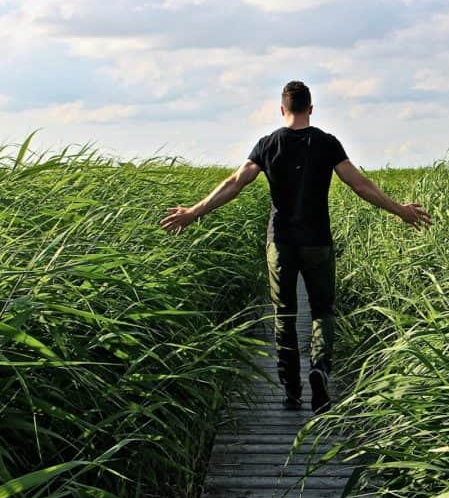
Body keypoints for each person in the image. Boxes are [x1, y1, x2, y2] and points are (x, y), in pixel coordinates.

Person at [160, 80, 432, 414]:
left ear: (282, 109)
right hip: (318, 241)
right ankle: (320, 369)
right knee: (321, 311)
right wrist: (401, 211)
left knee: (284, 316)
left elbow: (234, 183)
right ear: (311, 108)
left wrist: (192, 212)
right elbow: (360, 185)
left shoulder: (268, 144)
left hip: (281, 243)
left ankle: (291, 391)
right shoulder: (327, 143)